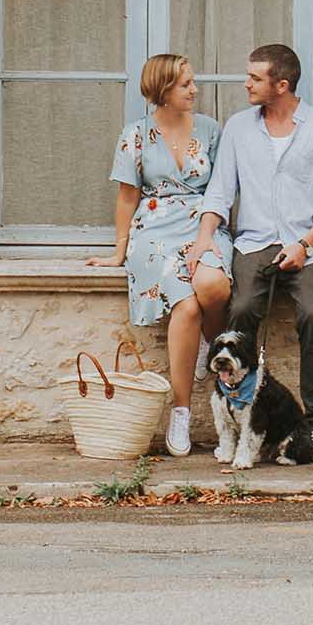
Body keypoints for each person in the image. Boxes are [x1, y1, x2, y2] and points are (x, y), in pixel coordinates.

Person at [187, 41, 313, 462]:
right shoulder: (239, 128)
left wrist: (305, 245)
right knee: (239, 311)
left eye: (255, 78)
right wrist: (204, 239)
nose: (246, 84)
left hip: (311, 245)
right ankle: (234, 417)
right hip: (255, 242)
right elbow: (220, 193)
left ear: (281, 84)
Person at [88, 52, 234, 457]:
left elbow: (222, 190)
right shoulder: (135, 134)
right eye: (186, 84)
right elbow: (127, 196)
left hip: (204, 225)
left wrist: (210, 233)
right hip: (154, 232)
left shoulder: (210, 129)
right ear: (163, 91)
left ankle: (209, 339)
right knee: (185, 308)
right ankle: (182, 411)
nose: (195, 90)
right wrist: (118, 253)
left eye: (192, 82)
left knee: (215, 288)